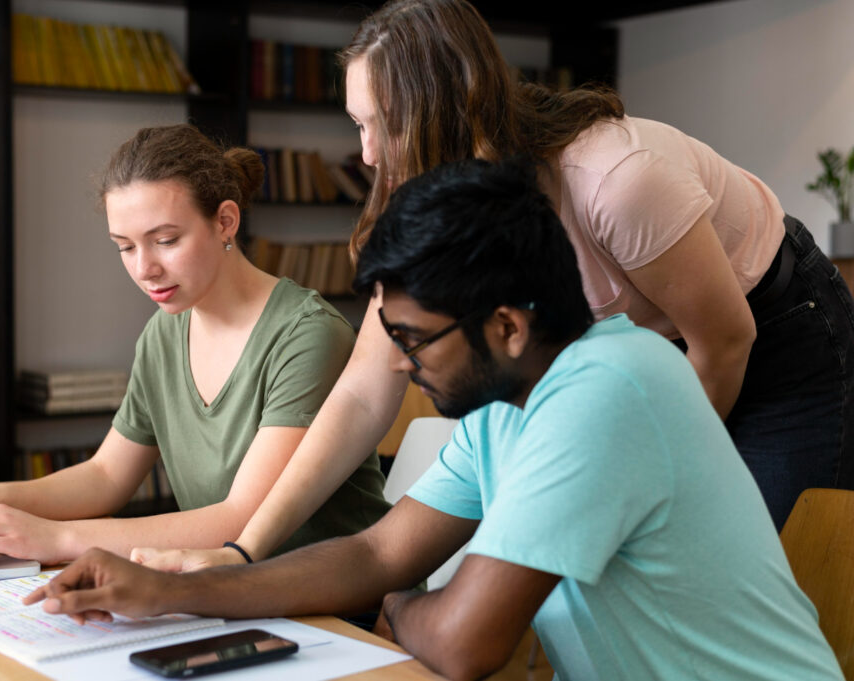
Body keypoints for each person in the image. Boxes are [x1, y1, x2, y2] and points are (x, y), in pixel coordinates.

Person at [25, 158, 843, 681]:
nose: (403, 365)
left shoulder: (608, 389)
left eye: (415, 340)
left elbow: (461, 642)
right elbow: (376, 550)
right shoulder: (501, 405)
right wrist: (176, 589)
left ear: (508, 325)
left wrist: (401, 607)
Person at [132, 0, 851, 573]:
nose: (368, 153)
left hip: (774, 334)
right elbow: (359, 392)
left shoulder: (613, 179)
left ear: (453, 107)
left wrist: (652, 483)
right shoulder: (441, 205)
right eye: (356, 125)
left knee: (740, 562)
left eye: (382, 124)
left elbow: (725, 342)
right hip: (645, 359)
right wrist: (242, 551)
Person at [0, 124, 390, 565]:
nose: (145, 269)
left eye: (165, 240)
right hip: (233, 596)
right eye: (125, 246)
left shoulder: (306, 335)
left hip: (337, 607)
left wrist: (59, 537)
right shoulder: (165, 332)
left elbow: (241, 517)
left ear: (225, 221)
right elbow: (105, 476)